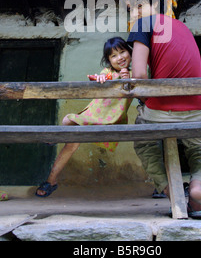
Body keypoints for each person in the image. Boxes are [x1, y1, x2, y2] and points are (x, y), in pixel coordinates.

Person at [122, 0, 201, 219]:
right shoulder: (181, 26)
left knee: (143, 142)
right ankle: (196, 188)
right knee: (199, 146)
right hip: (198, 108)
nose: (134, 13)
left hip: (160, 110)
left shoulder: (142, 25)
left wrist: (138, 92)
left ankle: (173, 195)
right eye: (131, 9)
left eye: (137, 6)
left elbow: (139, 76)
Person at [36, 36, 132, 197]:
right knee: (71, 141)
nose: (120, 58)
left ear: (130, 52)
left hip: (110, 120)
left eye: (122, 52)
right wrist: (101, 80)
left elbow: (135, 89)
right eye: (113, 56)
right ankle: (51, 181)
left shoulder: (137, 72)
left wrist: (128, 80)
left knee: (67, 122)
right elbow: (101, 80)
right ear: (108, 60)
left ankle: (56, 138)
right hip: (92, 116)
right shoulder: (107, 72)